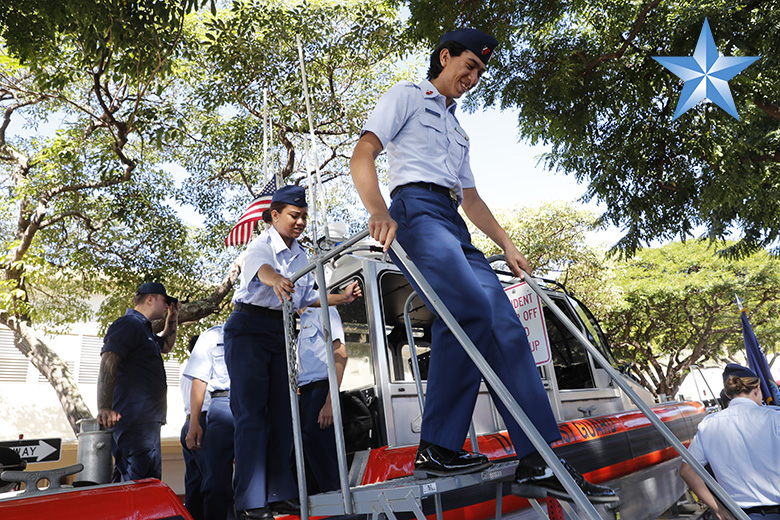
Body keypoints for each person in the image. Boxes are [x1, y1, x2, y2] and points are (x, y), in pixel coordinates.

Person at [349, 27, 616, 503]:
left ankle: (541, 459)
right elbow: (364, 152)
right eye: (467, 66)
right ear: (445, 56)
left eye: (479, 73)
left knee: (505, 325)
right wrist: (378, 210)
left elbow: (470, 199)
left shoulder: (458, 130)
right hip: (415, 211)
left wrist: (508, 243)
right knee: (468, 309)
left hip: (453, 222)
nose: (472, 78)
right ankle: (437, 446)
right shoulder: (407, 95)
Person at [224, 185, 362, 520]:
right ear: (274, 215)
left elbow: (305, 297)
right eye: (293, 215)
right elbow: (263, 272)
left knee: (283, 417)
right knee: (252, 415)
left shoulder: (302, 256)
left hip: (278, 330)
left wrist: (339, 298)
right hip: (248, 329)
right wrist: (275, 280)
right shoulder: (261, 245)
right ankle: (251, 502)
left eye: (303, 216)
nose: (300, 221)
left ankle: (279, 494)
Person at [97, 282, 180, 481]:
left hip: (145, 423)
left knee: (127, 488)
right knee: (142, 487)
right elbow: (109, 360)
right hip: (136, 423)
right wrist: (104, 407)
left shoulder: (145, 330)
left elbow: (167, 345)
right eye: (164, 301)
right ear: (149, 299)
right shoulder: (129, 324)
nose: (167, 306)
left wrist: (174, 317)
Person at [680, 363, 780, 520]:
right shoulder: (774, 418)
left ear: (727, 393)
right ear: (757, 388)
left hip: (738, 514)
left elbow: (687, 471)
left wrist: (719, 509)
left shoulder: (708, 425)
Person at [184, 324, 235, 520]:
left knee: (253, 478)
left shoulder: (261, 330)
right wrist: (194, 423)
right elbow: (199, 381)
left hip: (253, 403)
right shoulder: (213, 335)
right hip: (221, 404)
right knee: (213, 481)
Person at [296, 306, 348, 494]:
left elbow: (340, 352)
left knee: (328, 470)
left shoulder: (325, 310)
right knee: (309, 466)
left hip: (322, 391)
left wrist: (330, 401)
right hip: (305, 395)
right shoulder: (302, 322)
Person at [180, 334, 209, 520]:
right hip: (201, 421)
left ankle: (192, 516)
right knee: (211, 477)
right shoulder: (203, 369)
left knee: (194, 480)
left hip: (188, 422)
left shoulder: (186, 368)